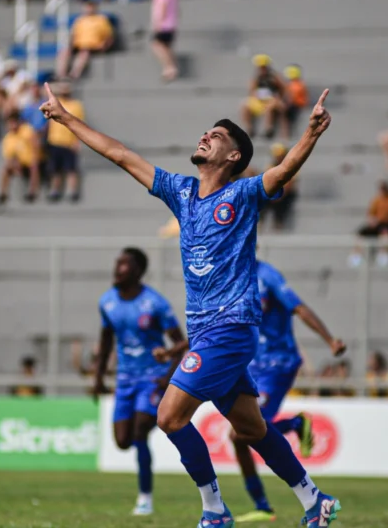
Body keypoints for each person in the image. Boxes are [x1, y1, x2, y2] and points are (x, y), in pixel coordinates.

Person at [39, 80, 342, 526]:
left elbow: (282, 170)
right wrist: (65, 118)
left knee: (169, 415)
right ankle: (316, 501)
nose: (205, 136)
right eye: (206, 131)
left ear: (233, 157)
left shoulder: (241, 195)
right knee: (252, 428)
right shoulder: (180, 193)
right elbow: (120, 154)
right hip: (206, 332)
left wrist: (311, 134)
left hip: (230, 328)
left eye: (216, 136)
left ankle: (215, 511)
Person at [234, 259, 346, 522]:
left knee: (242, 431)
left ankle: (297, 425)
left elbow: (299, 308)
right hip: (251, 363)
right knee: (239, 434)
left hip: (278, 363)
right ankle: (262, 505)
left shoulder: (268, 276)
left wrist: (329, 340)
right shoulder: (230, 274)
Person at [94, 247, 189, 516]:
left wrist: (167, 379)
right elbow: (105, 340)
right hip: (125, 380)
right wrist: (98, 377)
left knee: (139, 432)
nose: (117, 269)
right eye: (117, 263)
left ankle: (144, 498)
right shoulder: (107, 301)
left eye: (123, 264)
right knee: (123, 441)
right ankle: (147, 422)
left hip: (151, 379)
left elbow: (180, 344)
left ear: (137, 271)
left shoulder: (155, 303)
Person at [348, 180, 388, 268]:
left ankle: (384, 254)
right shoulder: (377, 200)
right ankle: (356, 255)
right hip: (379, 223)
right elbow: (371, 214)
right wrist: (372, 221)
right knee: (361, 233)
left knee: (385, 233)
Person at [45, 81, 86, 203]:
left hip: (69, 142)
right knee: (55, 169)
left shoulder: (76, 105)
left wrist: (77, 141)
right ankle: (55, 190)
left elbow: (80, 123)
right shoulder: (56, 103)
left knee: (71, 168)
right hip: (55, 140)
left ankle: (72, 191)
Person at [58, 0, 114, 81]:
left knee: (84, 54)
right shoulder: (79, 20)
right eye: (87, 7)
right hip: (79, 46)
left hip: (94, 47)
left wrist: (105, 46)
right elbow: (73, 35)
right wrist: (70, 46)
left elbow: (109, 36)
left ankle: (73, 75)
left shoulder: (101, 20)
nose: (88, 9)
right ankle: (61, 75)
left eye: (91, 7)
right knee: (64, 52)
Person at [0, 114, 41, 205]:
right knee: (5, 169)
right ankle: (3, 194)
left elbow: (35, 146)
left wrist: (34, 159)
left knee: (34, 166)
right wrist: (15, 166)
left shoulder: (27, 130)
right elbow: (9, 157)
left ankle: (32, 193)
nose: (11, 126)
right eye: (9, 124)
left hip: (32, 160)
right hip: (20, 164)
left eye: (13, 123)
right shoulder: (7, 138)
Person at [241, 55, 287, 140]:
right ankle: (249, 129)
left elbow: (283, 88)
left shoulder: (274, 76)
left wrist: (279, 97)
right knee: (245, 105)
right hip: (259, 100)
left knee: (269, 107)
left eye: (263, 67)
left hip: (272, 100)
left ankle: (268, 130)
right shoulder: (256, 77)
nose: (262, 69)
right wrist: (255, 95)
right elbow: (252, 90)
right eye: (260, 68)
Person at [261, 143, 298, 232]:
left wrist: (280, 195)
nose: (278, 157)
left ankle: (279, 224)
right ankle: (260, 223)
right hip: (274, 192)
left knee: (282, 203)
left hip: (285, 193)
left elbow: (290, 184)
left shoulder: (292, 167)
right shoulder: (270, 166)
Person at [150, 0, 179, 82]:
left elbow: (163, 4)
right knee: (166, 47)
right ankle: (169, 69)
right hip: (171, 23)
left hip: (164, 25)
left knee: (157, 45)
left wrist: (158, 22)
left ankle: (170, 67)